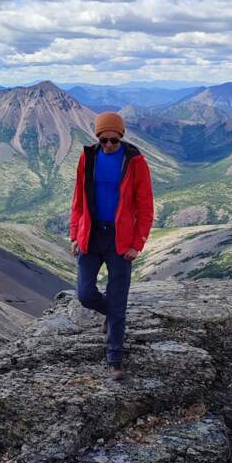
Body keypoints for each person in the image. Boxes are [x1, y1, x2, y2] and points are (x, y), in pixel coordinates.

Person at [69, 111, 154, 380]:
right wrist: (75, 234)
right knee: (85, 293)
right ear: (97, 137)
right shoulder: (88, 158)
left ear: (121, 137)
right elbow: (78, 200)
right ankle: (112, 312)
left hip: (121, 238)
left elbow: (145, 205)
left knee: (118, 298)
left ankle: (115, 358)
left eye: (113, 141)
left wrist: (137, 244)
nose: (108, 145)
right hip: (92, 235)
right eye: (103, 140)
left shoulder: (135, 161)